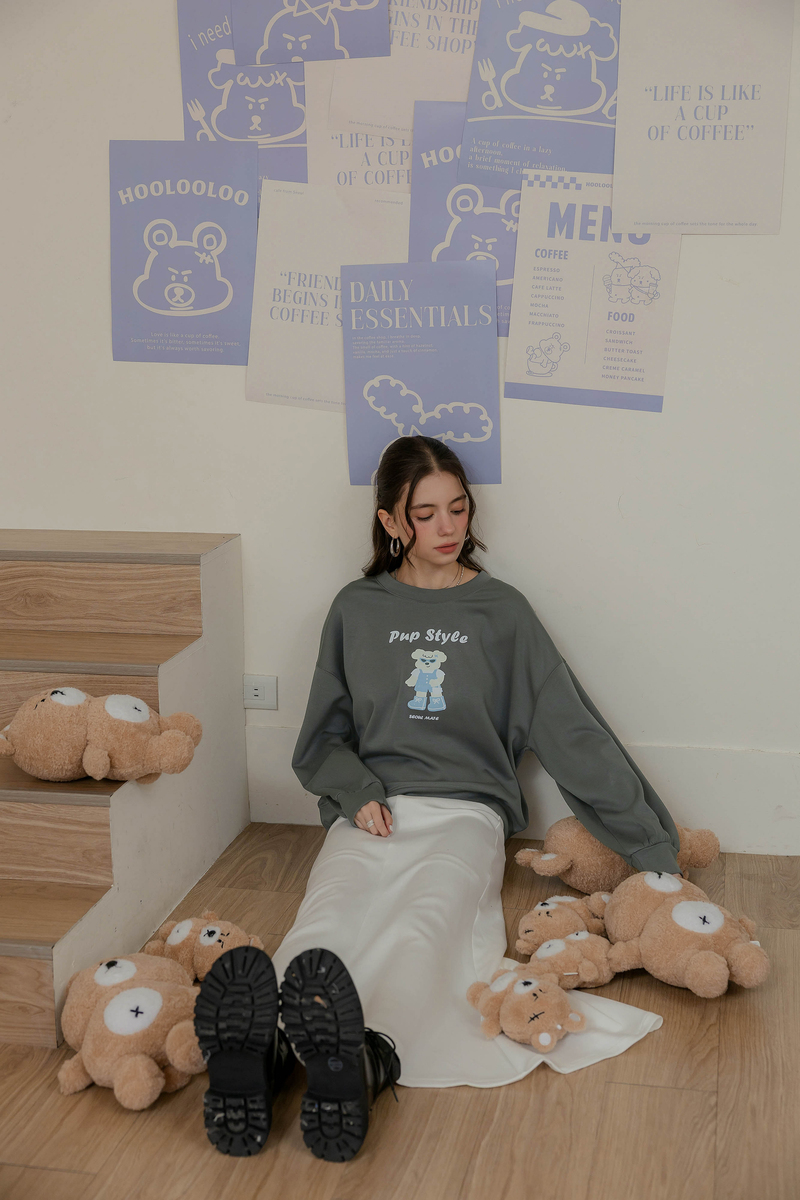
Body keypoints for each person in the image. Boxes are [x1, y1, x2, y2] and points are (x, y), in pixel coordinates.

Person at [195, 435, 682, 1161]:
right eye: (426, 515)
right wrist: (357, 792)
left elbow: (573, 733)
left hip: (465, 812)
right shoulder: (355, 609)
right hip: (372, 810)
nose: (448, 527)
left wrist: (652, 850)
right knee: (329, 916)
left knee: (425, 925)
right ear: (392, 521)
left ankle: (363, 1060)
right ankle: (263, 1052)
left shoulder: (503, 613)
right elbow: (320, 741)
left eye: (458, 508)